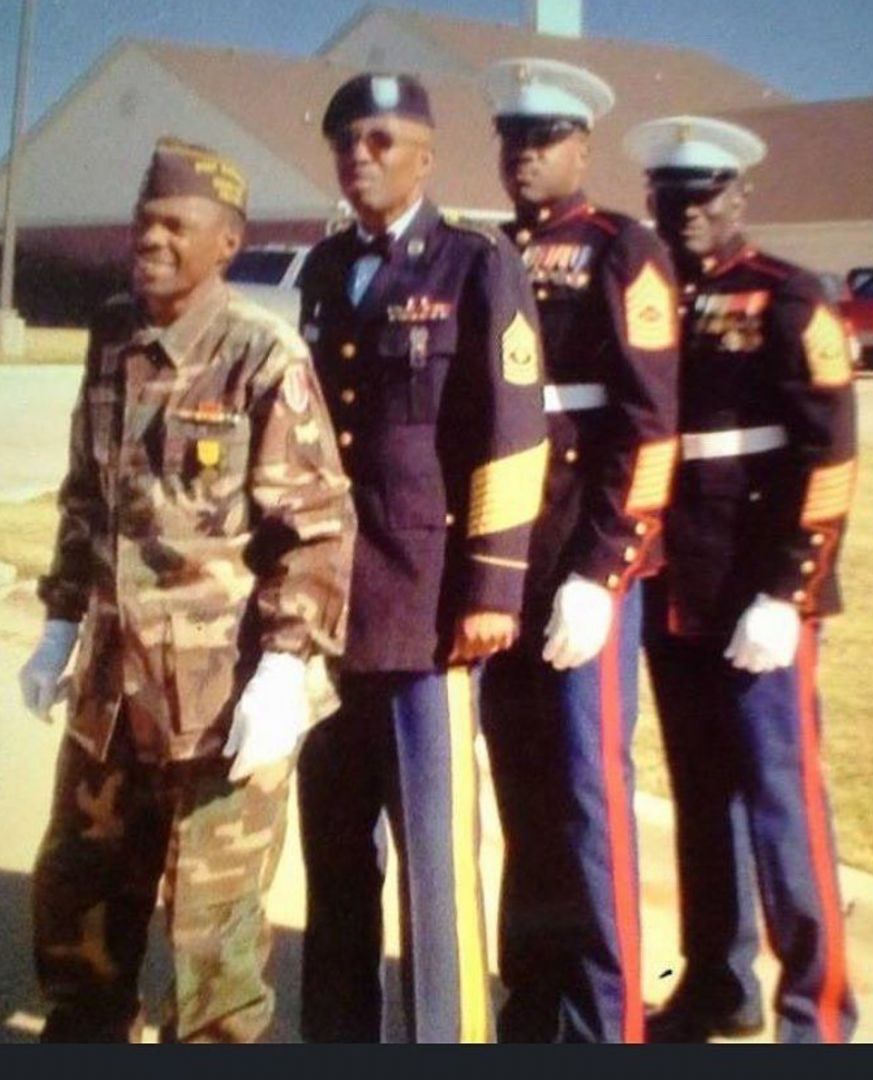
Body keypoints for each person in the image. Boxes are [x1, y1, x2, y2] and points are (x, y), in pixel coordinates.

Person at [17, 136, 355, 1043]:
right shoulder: (113, 333)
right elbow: (88, 494)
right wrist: (58, 622)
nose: (151, 239)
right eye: (143, 221)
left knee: (215, 959)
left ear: (226, 244)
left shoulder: (262, 356)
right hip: (113, 699)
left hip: (222, 708)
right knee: (78, 921)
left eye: (175, 225)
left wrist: (287, 670)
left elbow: (318, 530)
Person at [294, 72, 548, 1044]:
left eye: (382, 140)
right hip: (329, 613)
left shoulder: (476, 265)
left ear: (427, 156)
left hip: (430, 611)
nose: (361, 157)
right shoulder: (321, 272)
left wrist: (492, 585)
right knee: (335, 857)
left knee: (438, 867)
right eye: (347, 142)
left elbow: (514, 431)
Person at [625, 115, 857, 1044]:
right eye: (671, 198)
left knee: (783, 803)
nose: (688, 214)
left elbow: (829, 455)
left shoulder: (788, 297)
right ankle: (717, 987)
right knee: (700, 799)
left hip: (761, 596)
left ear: (740, 197)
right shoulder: (652, 299)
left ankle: (821, 1016)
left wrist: (786, 593)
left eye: (706, 195)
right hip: (678, 589)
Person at [474, 59, 681, 1043]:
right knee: (521, 790)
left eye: (544, 136)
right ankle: (534, 997)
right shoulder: (489, 253)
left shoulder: (622, 249)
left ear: (581, 147)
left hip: (579, 564)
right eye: (513, 135)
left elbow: (649, 429)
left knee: (589, 796)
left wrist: (604, 572)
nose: (525, 152)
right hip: (504, 569)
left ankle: (607, 1021)